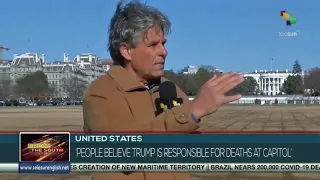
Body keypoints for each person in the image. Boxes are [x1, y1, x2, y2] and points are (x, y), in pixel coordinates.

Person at [82, 1, 244, 180]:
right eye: (153, 45)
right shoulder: (101, 93)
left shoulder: (169, 88)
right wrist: (193, 110)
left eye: (163, 44)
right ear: (126, 51)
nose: (164, 52)